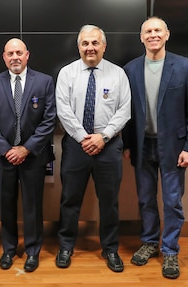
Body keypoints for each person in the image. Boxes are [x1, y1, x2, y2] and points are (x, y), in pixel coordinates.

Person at [122, 16, 188, 279]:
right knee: (145, 199)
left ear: (167, 34)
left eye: (158, 30)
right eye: (148, 31)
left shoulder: (186, 67)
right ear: (141, 37)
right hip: (142, 146)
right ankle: (149, 243)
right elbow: (126, 111)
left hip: (174, 147)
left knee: (172, 202)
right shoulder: (130, 69)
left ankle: (169, 250)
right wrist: (127, 144)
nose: (153, 35)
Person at [55, 24, 131, 272]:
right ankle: (66, 246)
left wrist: (103, 137)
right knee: (70, 199)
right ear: (79, 46)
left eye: (95, 43)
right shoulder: (67, 73)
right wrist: (82, 137)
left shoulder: (118, 74)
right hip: (76, 146)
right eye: (85, 43)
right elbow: (63, 110)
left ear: (104, 46)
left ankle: (110, 249)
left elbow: (124, 110)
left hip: (108, 146)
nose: (90, 48)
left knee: (109, 202)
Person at [0, 38, 56, 272]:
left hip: (33, 157)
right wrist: (6, 150)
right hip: (4, 158)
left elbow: (49, 119)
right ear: (4, 57)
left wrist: (26, 148)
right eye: (10, 53)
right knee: (6, 205)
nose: (15, 57)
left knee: (33, 207)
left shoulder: (44, 82)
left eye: (19, 53)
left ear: (27, 55)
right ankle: (9, 249)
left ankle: (33, 251)